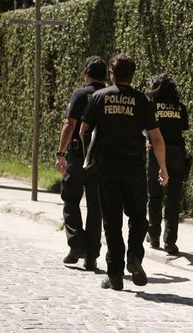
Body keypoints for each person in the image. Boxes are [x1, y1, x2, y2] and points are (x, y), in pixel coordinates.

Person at [80, 53, 169, 291]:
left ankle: (116, 274)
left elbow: (84, 129)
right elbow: (157, 138)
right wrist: (163, 168)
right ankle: (135, 258)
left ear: (112, 73)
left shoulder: (98, 97)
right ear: (133, 74)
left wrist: (91, 155)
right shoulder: (142, 100)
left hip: (107, 166)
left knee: (111, 221)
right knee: (138, 216)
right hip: (134, 166)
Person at [55, 56, 107, 271]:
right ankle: (92, 255)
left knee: (70, 198)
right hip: (101, 159)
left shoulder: (80, 94)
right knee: (96, 207)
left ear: (86, 73)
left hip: (78, 155)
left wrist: (61, 152)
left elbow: (70, 124)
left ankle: (77, 246)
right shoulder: (109, 96)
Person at [145, 74, 189, 255]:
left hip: (156, 152)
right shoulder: (180, 108)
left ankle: (154, 235)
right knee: (173, 199)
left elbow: (147, 129)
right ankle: (170, 242)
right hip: (177, 153)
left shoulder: (151, 107)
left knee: (154, 195)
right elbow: (184, 127)